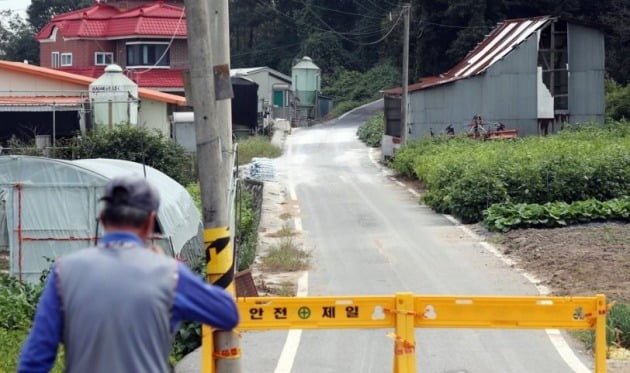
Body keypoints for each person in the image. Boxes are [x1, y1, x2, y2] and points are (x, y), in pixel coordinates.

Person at [19, 176, 239, 373]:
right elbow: (228, 313)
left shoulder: (63, 272)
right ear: (150, 221)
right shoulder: (169, 274)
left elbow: (36, 359)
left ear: (102, 218)